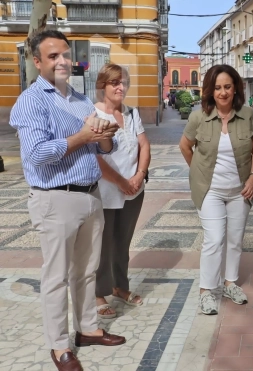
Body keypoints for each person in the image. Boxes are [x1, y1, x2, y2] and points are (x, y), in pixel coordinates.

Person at [9, 30, 126, 371]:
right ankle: (60, 346)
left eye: (64, 54)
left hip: (90, 195)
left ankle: (87, 329)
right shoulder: (31, 101)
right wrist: (83, 136)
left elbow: (102, 148)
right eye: (52, 56)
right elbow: (37, 153)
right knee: (57, 276)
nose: (62, 61)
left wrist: (104, 139)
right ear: (37, 62)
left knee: (87, 271)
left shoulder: (80, 98)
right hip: (55, 198)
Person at [179, 64, 253, 315]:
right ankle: (206, 291)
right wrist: (198, 171)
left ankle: (230, 283)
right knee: (214, 240)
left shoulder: (248, 115)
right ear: (210, 91)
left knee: (235, 240)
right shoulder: (198, 117)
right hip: (210, 191)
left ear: (235, 88)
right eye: (217, 88)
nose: (223, 92)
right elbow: (185, 146)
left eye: (227, 86)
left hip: (240, 190)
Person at [94, 63, 151, 319]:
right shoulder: (93, 115)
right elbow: (97, 159)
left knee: (123, 242)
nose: (121, 87)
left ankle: (119, 287)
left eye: (123, 82)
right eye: (115, 82)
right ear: (102, 85)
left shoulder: (131, 113)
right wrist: (121, 182)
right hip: (106, 192)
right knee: (103, 244)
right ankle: (98, 294)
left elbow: (144, 145)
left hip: (134, 191)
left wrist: (139, 175)